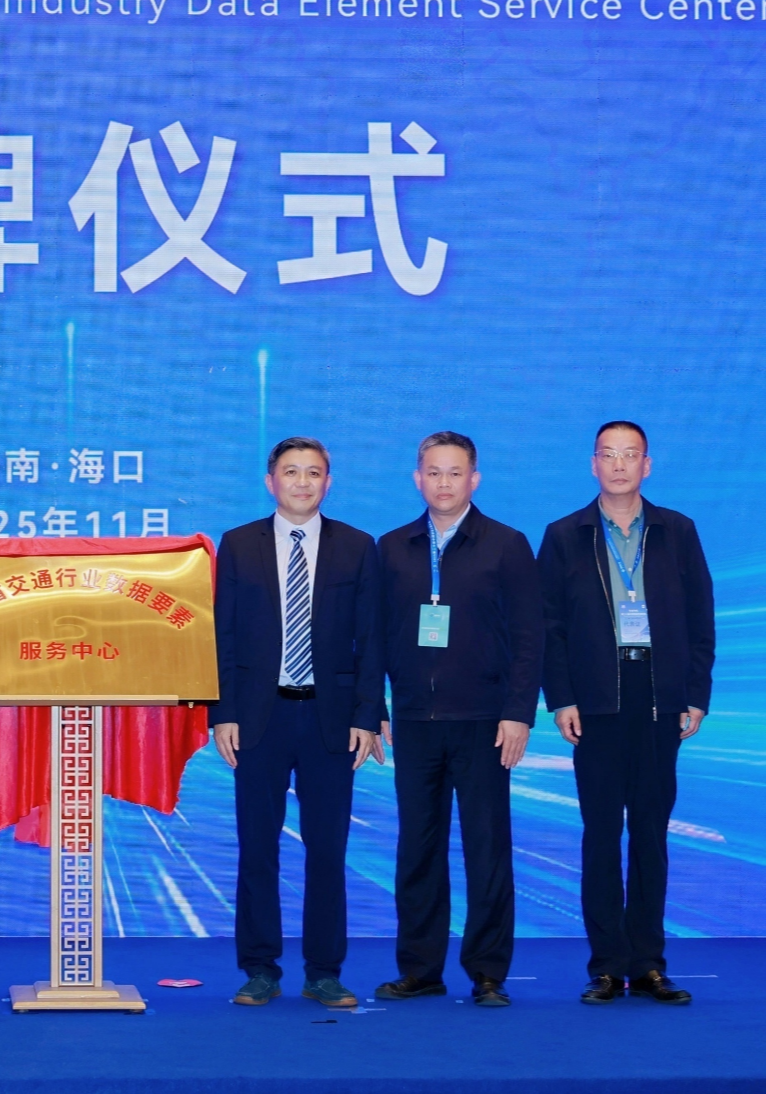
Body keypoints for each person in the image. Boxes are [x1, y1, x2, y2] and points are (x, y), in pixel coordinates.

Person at [539, 421, 714, 1006]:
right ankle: (607, 967)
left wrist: (695, 693)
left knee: (650, 834)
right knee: (600, 835)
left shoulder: (676, 531)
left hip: (659, 697)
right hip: (595, 701)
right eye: (608, 455)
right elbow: (549, 627)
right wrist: (561, 698)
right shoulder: (565, 535)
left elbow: (700, 619)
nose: (619, 465)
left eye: (630, 455)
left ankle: (649, 965)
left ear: (647, 465)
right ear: (593, 464)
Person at [211, 437, 384, 1008]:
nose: (302, 482)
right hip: (259, 719)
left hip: (331, 720)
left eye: (314, 473)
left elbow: (371, 639)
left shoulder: (356, 546)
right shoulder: (239, 544)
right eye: (291, 472)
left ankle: (324, 971)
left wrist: (368, 715)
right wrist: (223, 713)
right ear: (271, 482)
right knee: (257, 848)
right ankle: (260, 968)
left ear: (328, 483)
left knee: (327, 850)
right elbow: (223, 634)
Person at [374, 431, 542, 1008]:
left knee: (486, 848)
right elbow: (372, 637)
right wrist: (374, 707)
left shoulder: (507, 545)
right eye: (433, 472)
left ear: (475, 479)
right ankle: (420, 969)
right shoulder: (392, 547)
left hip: (484, 722)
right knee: (417, 849)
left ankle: (488, 972)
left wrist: (518, 714)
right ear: (416, 479)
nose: (443, 483)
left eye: (454, 472)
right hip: (415, 721)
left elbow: (529, 638)